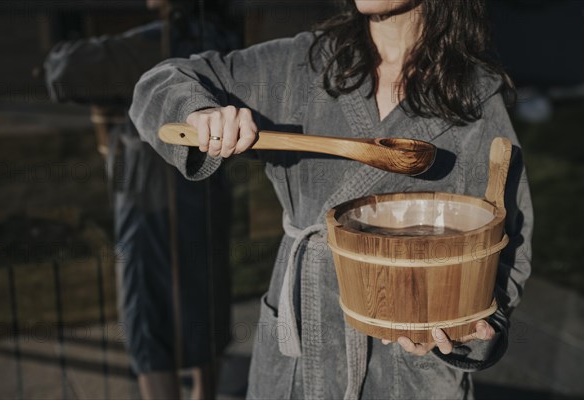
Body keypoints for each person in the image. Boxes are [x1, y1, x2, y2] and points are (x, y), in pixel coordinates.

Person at [130, 0, 533, 398]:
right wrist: (198, 112)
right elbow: (161, 80)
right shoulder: (300, 65)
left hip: (410, 371)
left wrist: (471, 329)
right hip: (298, 353)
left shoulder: (474, 96)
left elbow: (509, 239)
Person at [44, 1, 238, 398]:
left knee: (147, 309)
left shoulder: (161, 43)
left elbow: (66, 70)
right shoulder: (222, 37)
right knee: (203, 297)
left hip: (151, 192)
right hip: (206, 185)